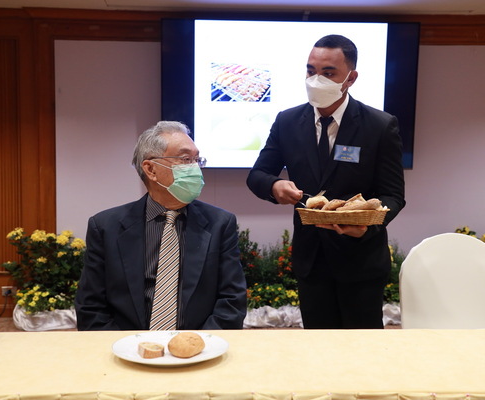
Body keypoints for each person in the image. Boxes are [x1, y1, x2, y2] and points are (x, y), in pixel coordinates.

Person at [246, 34, 405, 329]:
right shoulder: (287, 122)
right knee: (318, 347)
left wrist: (366, 226)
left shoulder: (379, 126)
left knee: (362, 347)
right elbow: (257, 175)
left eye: (328, 73)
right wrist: (274, 186)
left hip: (360, 260)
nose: (316, 80)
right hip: (311, 260)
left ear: (350, 78)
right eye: (311, 71)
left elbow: (393, 196)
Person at [76, 121, 247, 330]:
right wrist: (127, 345)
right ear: (151, 169)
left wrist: (199, 344)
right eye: (185, 159)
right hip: (126, 344)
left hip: (200, 344)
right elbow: (91, 308)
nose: (194, 168)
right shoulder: (105, 227)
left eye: (197, 160)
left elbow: (232, 302)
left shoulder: (220, 224)